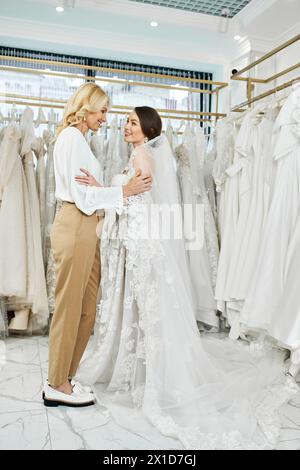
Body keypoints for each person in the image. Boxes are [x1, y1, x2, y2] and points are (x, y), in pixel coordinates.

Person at [75, 106, 298, 449]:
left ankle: (149, 377)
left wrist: (111, 197)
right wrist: (104, 188)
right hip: (140, 241)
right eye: (126, 122)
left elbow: (140, 202)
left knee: (148, 312)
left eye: (132, 123)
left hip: (142, 242)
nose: (126, 127)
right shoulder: (140, 154)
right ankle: (141, 370)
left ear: (147, 130)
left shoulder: (143, 156)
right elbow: (135, 194)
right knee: (145, 312)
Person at [43, 85, 152, 408]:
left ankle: (66, 376)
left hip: (86, 224)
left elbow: (89, 193)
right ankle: (57, 383)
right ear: (86, 108)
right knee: (71, 307)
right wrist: (126, 191)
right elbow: (83, 197)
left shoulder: (77, 140)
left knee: (87, 308)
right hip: (76, 222)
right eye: (102, 111)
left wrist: (110, 191)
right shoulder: (72, 139)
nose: (106, 118)